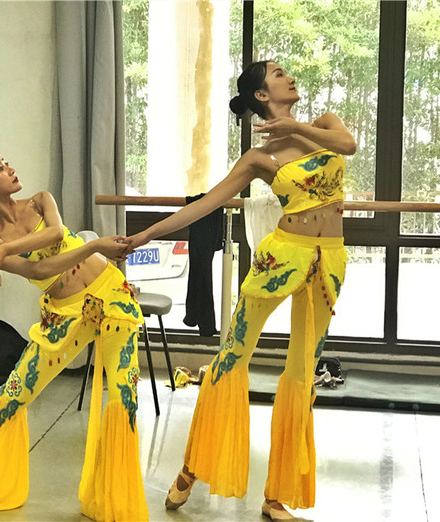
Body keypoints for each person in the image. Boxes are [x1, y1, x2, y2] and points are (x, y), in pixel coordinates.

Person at [123, 60, 356, 521]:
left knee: (302, 372)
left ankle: (277, 496)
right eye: (278, 74)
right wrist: (145, 235)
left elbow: (348, 145)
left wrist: (295, 126)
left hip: (329, 261)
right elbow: (204, 205)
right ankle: (192, 466)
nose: (290, 77)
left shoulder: (325, 124)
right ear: (262, 95)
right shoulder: (258, 158)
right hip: (280, 258)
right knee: (231, 358)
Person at [0, 147, 148, 521]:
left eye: (6, 163)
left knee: (123, 398)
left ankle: (118, 504)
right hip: (63, 315)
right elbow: (40, 271)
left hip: (113, 297)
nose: (10, 169)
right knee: (11, 396)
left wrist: (14, 249)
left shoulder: (40, 201)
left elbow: (55, 233)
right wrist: (6, 250)